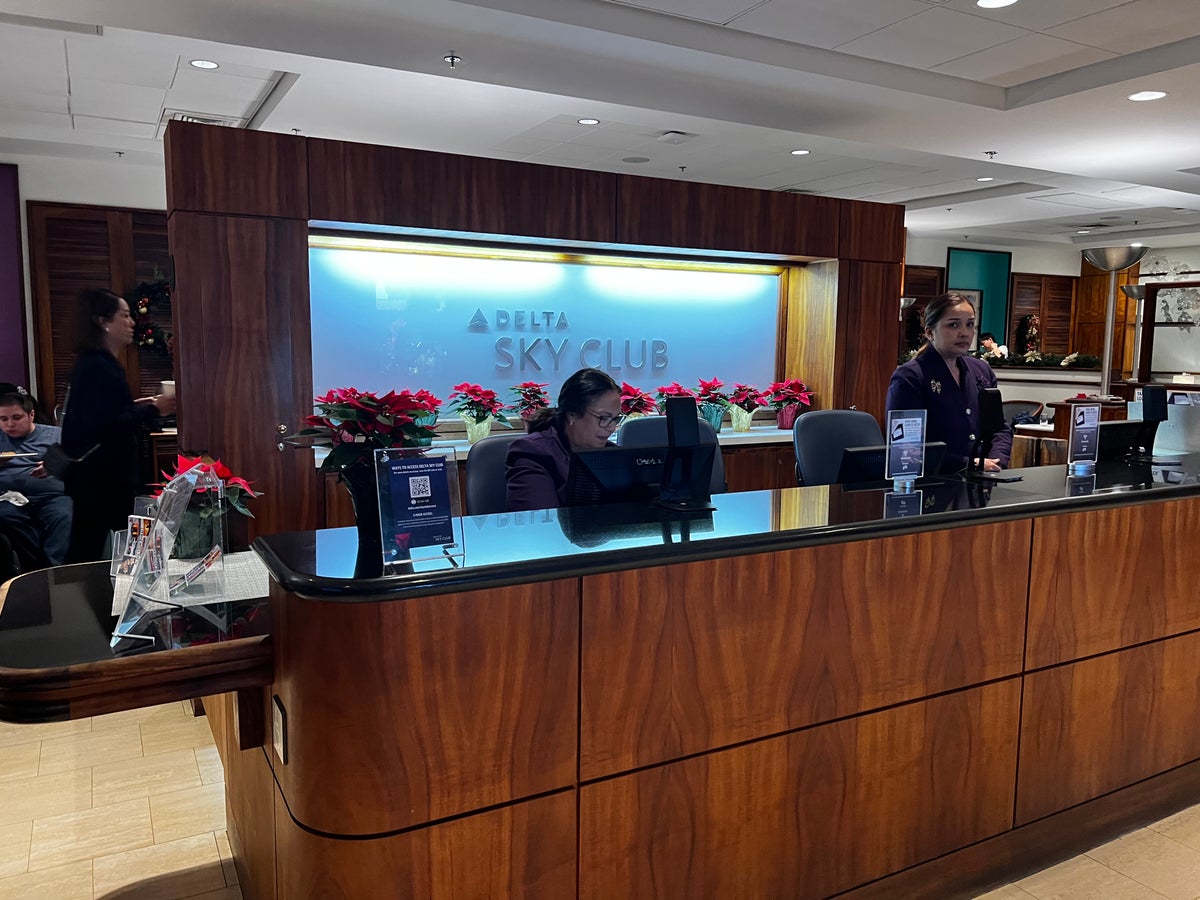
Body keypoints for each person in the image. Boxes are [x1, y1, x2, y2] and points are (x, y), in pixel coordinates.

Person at [61, 288, 175, 562]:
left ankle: (93, 599)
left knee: (92, 547)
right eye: (124, 315)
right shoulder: (98, 366)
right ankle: (85, 601)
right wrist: (153, 408)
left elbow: (103, 415)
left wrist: (137, 406)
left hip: (98, 477)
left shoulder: (95, 363)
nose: (132, 322)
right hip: (101, 478)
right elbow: (107, 427)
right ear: (103, 321)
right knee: (91, 550)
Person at [886, 292, 1012, 474]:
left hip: (982, 482)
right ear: (930, 332)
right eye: (953, 325)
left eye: (970, 324)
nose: (964, 333)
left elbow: (999, 427)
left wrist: (996, 459)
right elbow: (906, 447)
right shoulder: (911, 376)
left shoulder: (981, 370)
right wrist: (968, 463)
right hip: (934, 482)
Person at [505, 368, 622, 511]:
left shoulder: (612, 454)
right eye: (603, 418)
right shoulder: (532, 452)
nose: (611, 428)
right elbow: (540, 522)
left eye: (615, 419)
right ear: (572, 414)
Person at [0, 388, 72, 568]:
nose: (9, 424)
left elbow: (76, 463)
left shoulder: (56, 435)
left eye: (16, 418)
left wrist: (54, 466)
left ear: (31, 415)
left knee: (64, 517)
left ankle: (54, 569)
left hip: (51, 496)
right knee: (6, 517)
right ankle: (34, 568)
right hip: (8, 496)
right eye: (3, 419)